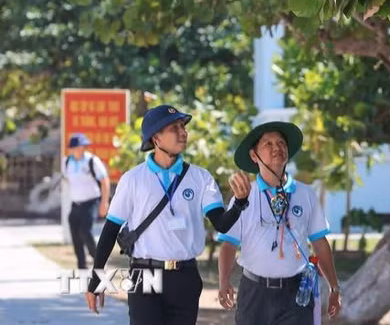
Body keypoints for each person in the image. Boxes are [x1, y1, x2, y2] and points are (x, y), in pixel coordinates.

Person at [84, 104, 252, 325]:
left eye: (183, 126)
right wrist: (96, 279)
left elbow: (221, 223)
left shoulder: (200, 178)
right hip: (145, 276)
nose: (183, 132)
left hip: (185, 276)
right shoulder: (133, 179)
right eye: (175, 128)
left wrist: (239, 203)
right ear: (156, 138)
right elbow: (110, 230)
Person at [217, 121, 342, 324]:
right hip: (254, 293)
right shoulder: (243, 196)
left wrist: (334, 287)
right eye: (268, 144)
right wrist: (223, 282)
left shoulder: (305, 194)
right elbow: (229, 244)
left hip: (297, 294)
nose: (277, 148)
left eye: (282, 143)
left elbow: (320, 243)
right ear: (254, 155)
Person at [63, 132, 110, 269]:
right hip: (75, 204)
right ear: (71, 148)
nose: (80, 149)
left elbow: (104, 181)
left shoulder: (92, 161)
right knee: (75, 235)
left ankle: (98, 261)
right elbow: (67, 180)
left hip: (90, 202)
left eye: (82, 146)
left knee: (85, 231)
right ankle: (81, 265)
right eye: (77, 147)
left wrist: (104, 202)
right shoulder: (66, 162)